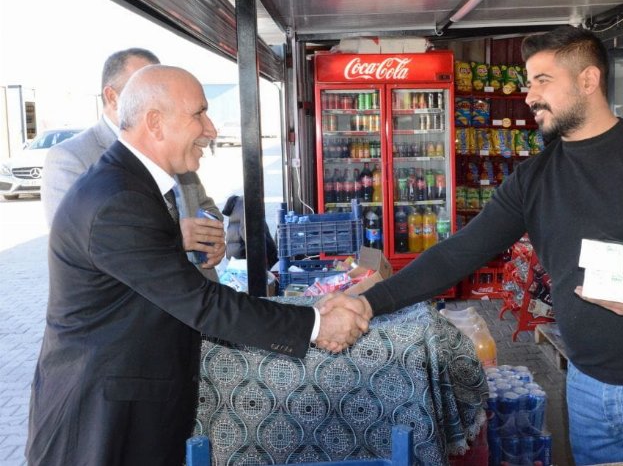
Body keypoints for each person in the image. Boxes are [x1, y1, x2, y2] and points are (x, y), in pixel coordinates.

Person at [320, 26, 623, 464]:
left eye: (543, 80)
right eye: (529, 82)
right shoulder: (535, 177)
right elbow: (458, 252)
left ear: (588, 80)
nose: (530, 96)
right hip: (585, 388)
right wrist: (368, 302)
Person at [25, 65, 368, 466]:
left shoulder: (131, 184)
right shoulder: (119, 199)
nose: (211, 129)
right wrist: (315, 324)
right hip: (99, 423)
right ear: (155, 123)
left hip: (126, 410)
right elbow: (201, 303)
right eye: (199, 114)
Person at [41, 48, 226, 280]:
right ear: (112, 97)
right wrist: (173, 235)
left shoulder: (173, 148)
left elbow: (204, 206)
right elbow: (81, 245)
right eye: (140, 86)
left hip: (198, 289)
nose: (155, 95)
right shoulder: (70, 157)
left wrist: (211, 235)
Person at [222, 194, 278, 267]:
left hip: (236, 260)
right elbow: (252, 236)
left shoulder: (237, 208)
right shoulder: (249, 205)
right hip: (247, 262)